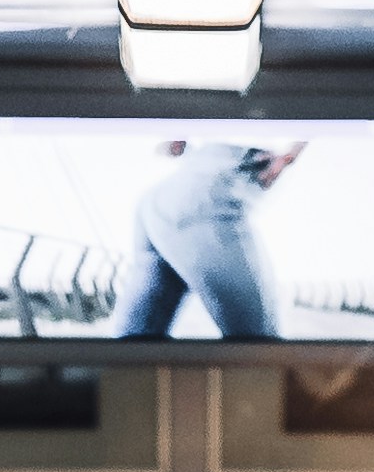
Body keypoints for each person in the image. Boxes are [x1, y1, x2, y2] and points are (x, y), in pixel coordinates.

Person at [107, 133, 295, 344]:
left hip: (164, 202)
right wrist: (294, 150)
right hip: (210, 203)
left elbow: (168, 146)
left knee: (133, 350)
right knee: (262, 350)